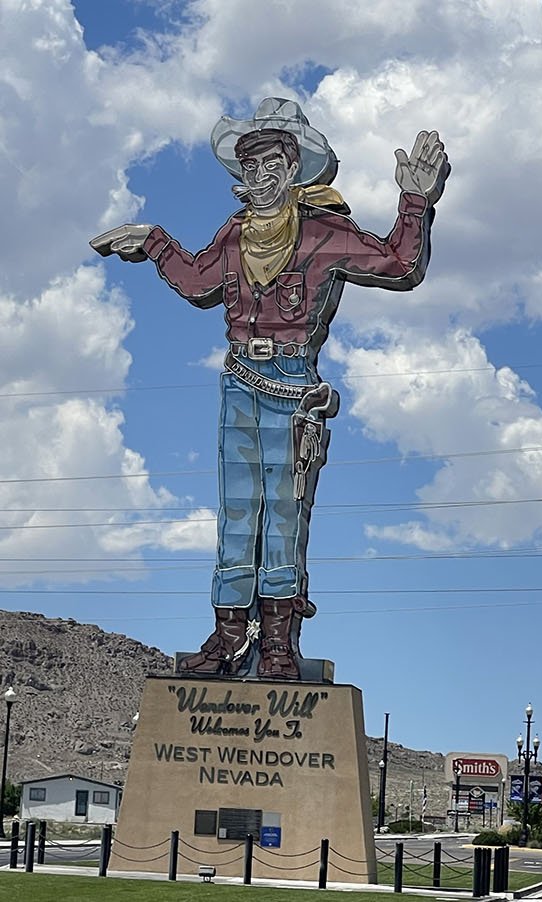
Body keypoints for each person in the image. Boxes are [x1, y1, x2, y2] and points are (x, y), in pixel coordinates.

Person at [91, 98, 449, 680]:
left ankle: (278, 641)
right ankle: (229, 635)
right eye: (249, 166)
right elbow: (197, 280)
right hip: (239, 381)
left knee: (283, 513)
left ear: (294, 168)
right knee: (237, 512)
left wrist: (415, 201)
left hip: (291, 385)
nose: (259, 176)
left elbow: (398, 263)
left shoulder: (323, 233)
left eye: (271, 163)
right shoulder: (233, 236)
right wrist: (154, 241)